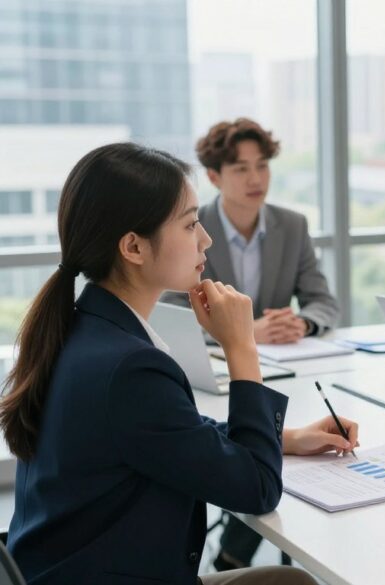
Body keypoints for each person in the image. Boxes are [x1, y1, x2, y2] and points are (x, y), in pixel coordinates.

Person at [1, 143, 359, 585]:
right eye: (191, 225)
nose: (205, 239)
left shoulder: (84, 328)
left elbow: (171, 432)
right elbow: (258, 489)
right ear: (133, 246)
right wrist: (241, 347)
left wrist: (286, 437)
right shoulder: (129, 367)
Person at [163, 118, 338, 344]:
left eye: (262, 165)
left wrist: (301, 324)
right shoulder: (191, 228)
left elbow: (322, 301)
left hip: (283, 357)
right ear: (214, 177)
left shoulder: (293, 226)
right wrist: (240, 333)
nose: (256, 179)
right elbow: (171, 312)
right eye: (241, 169)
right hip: (218, 361)